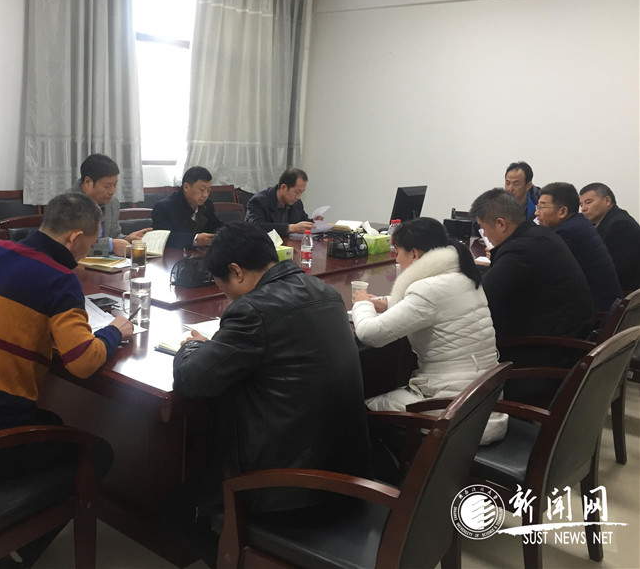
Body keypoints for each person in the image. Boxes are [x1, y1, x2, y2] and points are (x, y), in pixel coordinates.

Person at [0, 191, 132, 568]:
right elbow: (82, 362)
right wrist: (114, 331)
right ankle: (12, 554)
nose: (85, 253)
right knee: (97, 452)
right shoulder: (58, 279)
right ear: (75, 238)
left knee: (53, 421)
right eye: (89, 244)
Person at [167, 221, 373, 566]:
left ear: (236, 271)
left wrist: (190, 347)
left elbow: (192, 380)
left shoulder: (252, 310)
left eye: (221, 285)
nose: (225, 295)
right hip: (349, 473)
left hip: (290, 491)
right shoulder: (324, 292)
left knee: (175, 512)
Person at [351, 218, 507, 445]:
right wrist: (387, 302)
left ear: (414, 254)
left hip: (455, 413)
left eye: (398, 251)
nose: (396, 259)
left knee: (363, 403)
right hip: (485, 401)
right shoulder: (464, 276)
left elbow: (370, 334)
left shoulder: (427, 290)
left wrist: (362, 303)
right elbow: (433, 306)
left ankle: (394, 464)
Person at [470, 188, 594, 405]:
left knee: (460, 351)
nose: (484, 235)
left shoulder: (521, 250)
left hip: (545, 357)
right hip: (566, 343)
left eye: (483, 228)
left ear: (501, 224)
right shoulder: (538, 235)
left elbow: (482, 298)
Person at [536, 182, 622, 312]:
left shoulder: (566, 233)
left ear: (562, 212)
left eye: (542, 207)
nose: (537, 213)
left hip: (597, 312)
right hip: (607, 304)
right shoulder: (579, 223)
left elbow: (544, 273)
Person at [73, 153, 151, 257]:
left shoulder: (112, 202)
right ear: (88, 182)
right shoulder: (67, 204)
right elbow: (72, 246)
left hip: (108, 264)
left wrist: (127, 239)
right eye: (107, 186)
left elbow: (114, 235)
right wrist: (110, 245)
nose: (112, 191)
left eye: (115, 184)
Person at [580, 182, 640, 292]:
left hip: (626, 294)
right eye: (581, 205)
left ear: (607, 201)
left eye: (588, 202)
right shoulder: (605, 223)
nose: (583, 208)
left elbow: (620, 270)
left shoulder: (620, 224)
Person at [151, 166, 223, 249]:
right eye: (202, 190)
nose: (205, 195)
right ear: (186, 187)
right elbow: (165, 238)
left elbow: (216, 226)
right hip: (173, 255)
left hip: (201, 255)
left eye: (208, 190)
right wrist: (196, 239)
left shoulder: (207, 204)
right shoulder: (163, 207)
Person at [245, 167, 316, 236]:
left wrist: (315, 221)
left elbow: (303, 221)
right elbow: (257, 227)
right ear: (283, 187)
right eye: (297, 192)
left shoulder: (296, 203)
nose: (298, 197)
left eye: (301, 192)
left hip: (286, 243)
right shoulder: (259, 201)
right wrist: (289, 228)